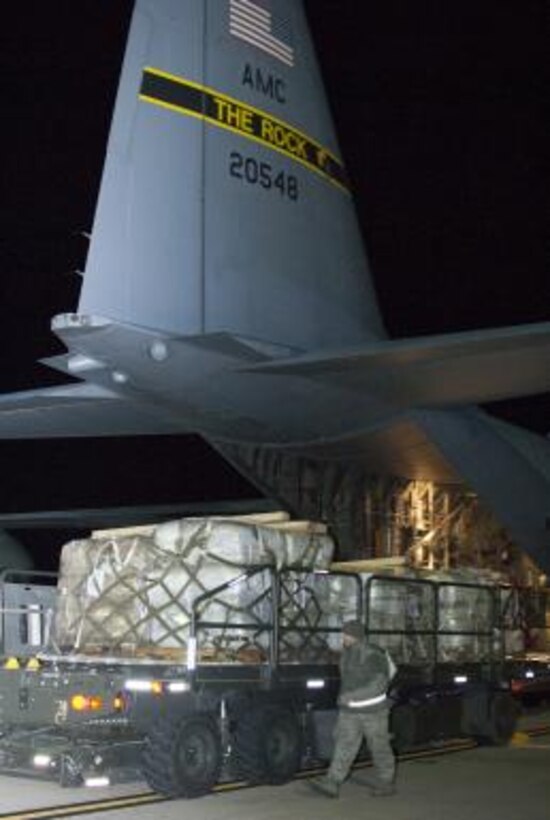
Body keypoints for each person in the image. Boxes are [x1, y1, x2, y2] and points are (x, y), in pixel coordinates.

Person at [308, 619, 396, 798]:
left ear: (354, 635)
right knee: (344, 746)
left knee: (379, 748)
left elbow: (379, 685)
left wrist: (350, 697)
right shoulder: (347, 653)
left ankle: (386, 783)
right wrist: (344, 701)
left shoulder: (374, 654)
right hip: (350, 712)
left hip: (374, 712)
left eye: (345, 634)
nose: (343, 637)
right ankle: (332, 782)